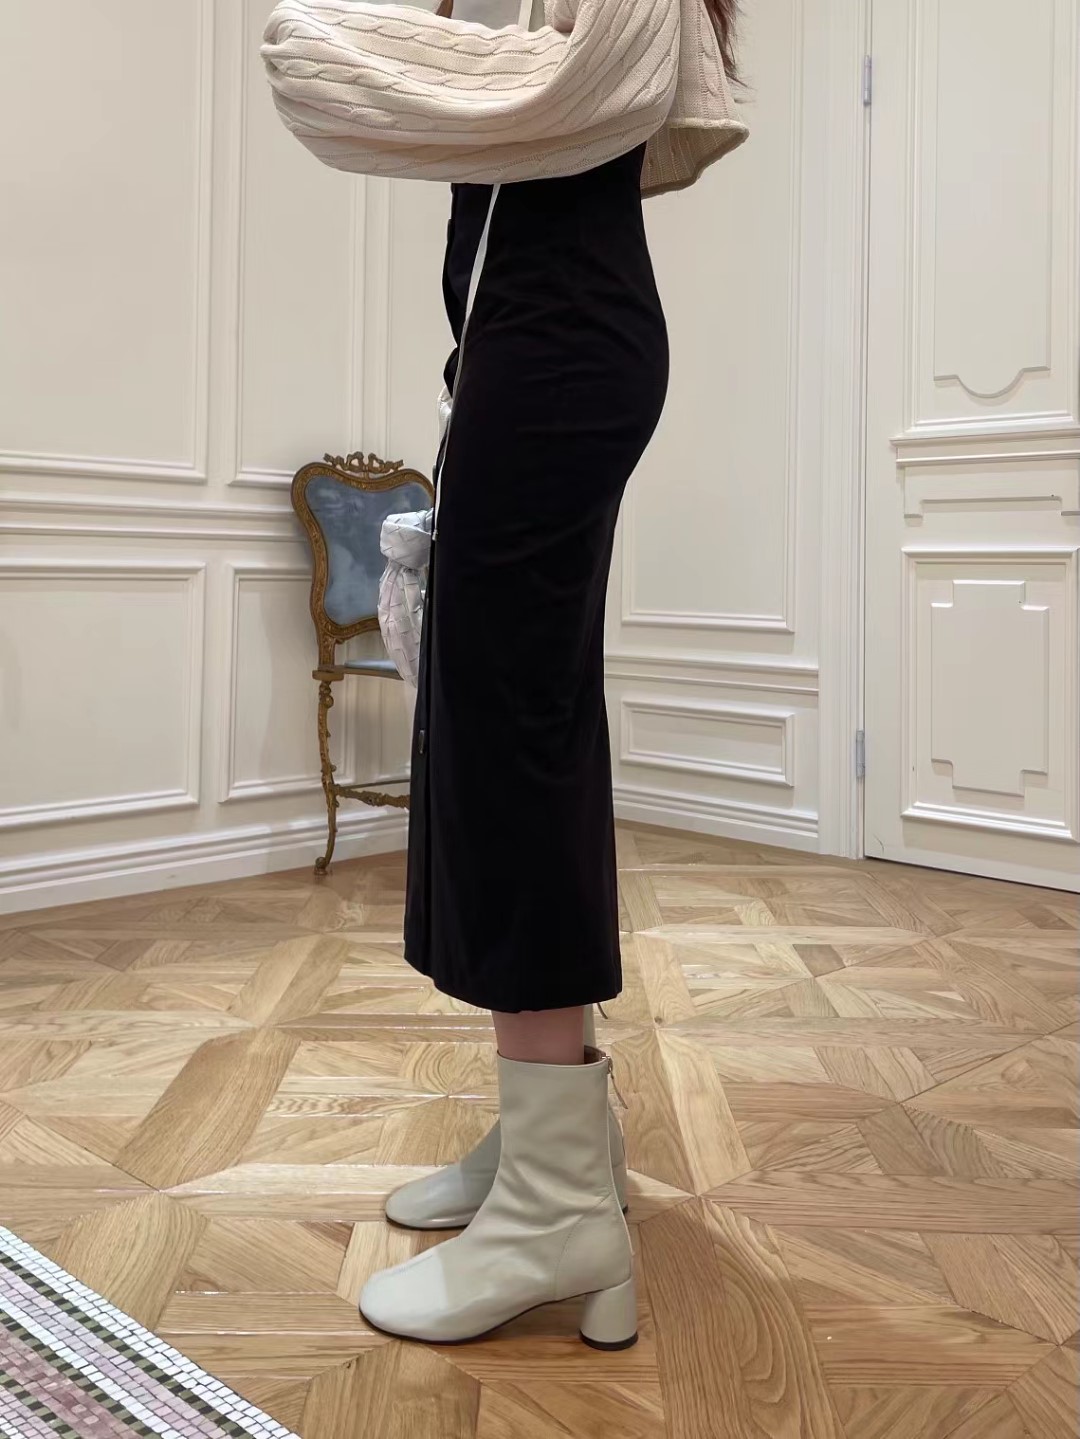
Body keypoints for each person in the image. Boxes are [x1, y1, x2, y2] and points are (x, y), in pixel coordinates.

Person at [261, 0, 744, 1349]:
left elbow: (592, 89)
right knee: (507, 728)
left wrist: (343, 48)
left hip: (557, 354)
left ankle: (555, 1208)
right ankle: (554, 1147)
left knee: (508, 735)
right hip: (520, 356)